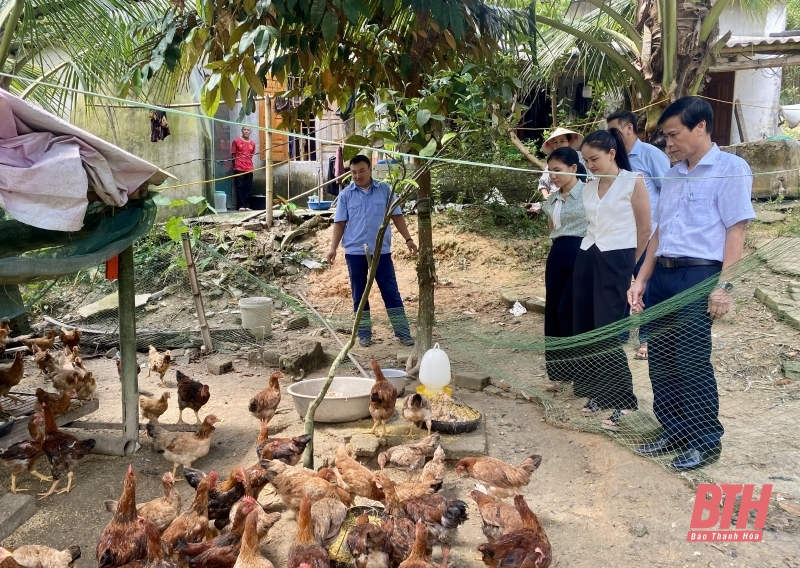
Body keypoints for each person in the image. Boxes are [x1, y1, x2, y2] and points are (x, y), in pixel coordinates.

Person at [628, 97, 754, 471]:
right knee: (660, 358)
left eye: (674, 134)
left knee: (691, 361)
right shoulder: (672, 174)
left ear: (700, 127)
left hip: (699, 276)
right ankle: (674, 430)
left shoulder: (731, 169)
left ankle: (704, 440)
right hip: (663, 276)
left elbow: (737, 231)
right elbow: (659, 232)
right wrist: (641, 280)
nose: (669, 143)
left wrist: (724, 287)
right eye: (666, 137)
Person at [572, 129, 651, 430]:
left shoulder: (633, 181)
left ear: (612, 153)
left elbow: (645, 230)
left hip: (618, 259)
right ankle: (596, 393)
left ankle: (622, 401)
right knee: (585, 327)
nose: (589, 165)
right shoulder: (588, 186)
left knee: (606, 332)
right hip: (587, 256)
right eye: (585, 160)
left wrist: (629, 267)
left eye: (594, 159)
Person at [327, 155, 417, 348]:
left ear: (370, 170)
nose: (357, 176)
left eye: (361, 171)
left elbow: (397, 215)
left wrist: (408, 239)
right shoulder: (345, 195)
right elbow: (340, 223)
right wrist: (332, 248)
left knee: (391, 292)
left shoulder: (384, 190)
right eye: (353, 172)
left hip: (380, 252)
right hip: (355, 252)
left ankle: (403, 333)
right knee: (359, 295)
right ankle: (365, 334)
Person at [607, 110, 671, 360]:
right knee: (620, 284)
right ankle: (620, 334)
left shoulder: (650, 155)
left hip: (648, 234)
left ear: (629, 128)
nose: (612, 136)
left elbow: (668, 191)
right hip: (620, 235)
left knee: (647, 288)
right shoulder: (612, 159)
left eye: (615, 131)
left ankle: (647, 339)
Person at [541, 147, 588, 383]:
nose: (553, 176)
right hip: (558, 253)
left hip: (583, 254)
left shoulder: (590, 193)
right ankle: (559, 370)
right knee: (554, 310)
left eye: (558, 170)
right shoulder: (553, 200)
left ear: (573, 168)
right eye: (550, 171)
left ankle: (580, 368)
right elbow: (552, 230)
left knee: (570, 309)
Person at [537, 128, 585, 199]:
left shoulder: (581, 156)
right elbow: (543, 183)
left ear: (570, 142)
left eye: (562, 141)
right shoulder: (552, 160)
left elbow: (589, 177)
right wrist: (546, 196)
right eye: (555, 142)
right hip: (555, 197)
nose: (559, 144)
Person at [231, 126, 256, 211]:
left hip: (249, 168)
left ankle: (247, 206)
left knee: (248, 187)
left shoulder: (252, 143)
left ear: (250, 132)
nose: (246, 131)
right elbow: (233, 155)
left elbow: (251, 155)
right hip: (239, 167)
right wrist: (235, 166)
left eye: (248, 130)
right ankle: (241, 205)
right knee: (240, 187)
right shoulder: (236, 141)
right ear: (242, 131)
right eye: (244, 130)